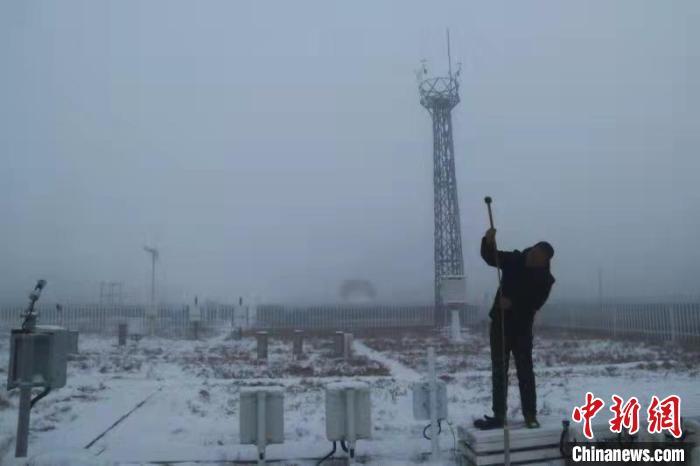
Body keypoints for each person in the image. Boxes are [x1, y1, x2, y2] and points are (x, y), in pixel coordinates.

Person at [474, 228, 555, 430]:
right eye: (534, 253)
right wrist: (488, 241)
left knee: (525, 371)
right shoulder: (514, 260)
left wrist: (512, 304)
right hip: (500, 324)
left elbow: (536, 303)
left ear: (545, 262)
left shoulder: (545, 279)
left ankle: (530, 415)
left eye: (540, 258)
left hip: (522, 328)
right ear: (531, 249)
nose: (534, 258)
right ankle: (499, 416)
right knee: (499, 370)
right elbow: (491, 258)